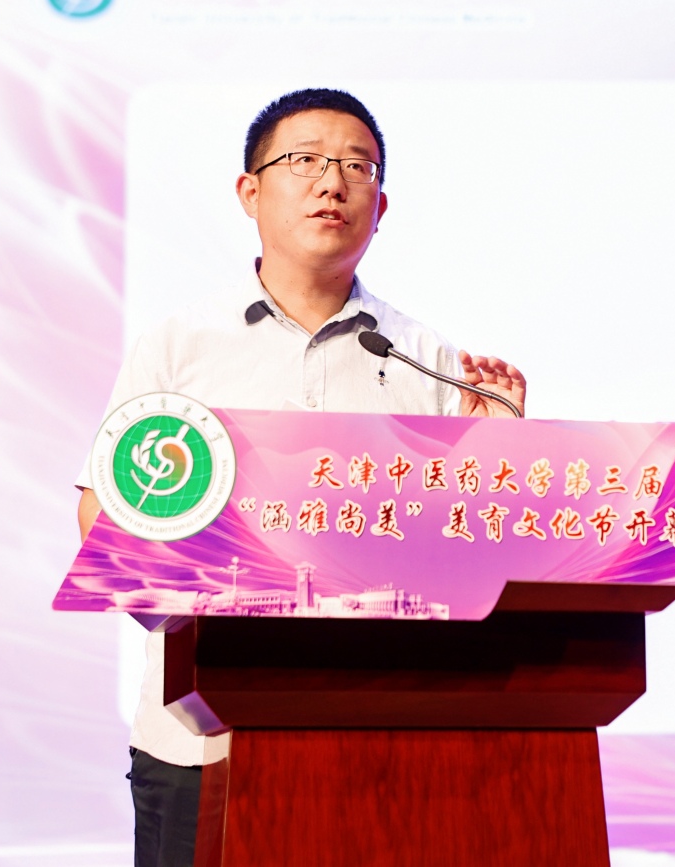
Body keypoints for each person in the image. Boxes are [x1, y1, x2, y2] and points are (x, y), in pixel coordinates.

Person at [73, 88, 526, 867]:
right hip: (199, 739)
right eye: (306, 161)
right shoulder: (179, 345)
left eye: (357, 166)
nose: (332, 182)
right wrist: (182, 610)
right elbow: (104, 515)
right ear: (250, 191)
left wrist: (499, 457)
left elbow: (465, 553)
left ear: (381, 207)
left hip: (378, 736)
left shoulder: (427, 359)